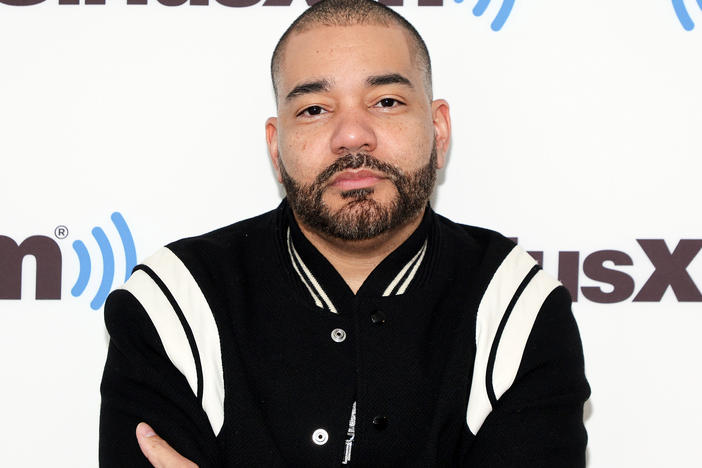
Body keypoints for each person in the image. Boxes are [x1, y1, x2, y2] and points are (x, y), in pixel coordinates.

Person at [99, 0, 590, 466]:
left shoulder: (514, 305)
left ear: (439, 130)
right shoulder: (176, 301)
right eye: (314, 109)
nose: (352, 134)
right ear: (276, 146)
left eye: (386, 100)